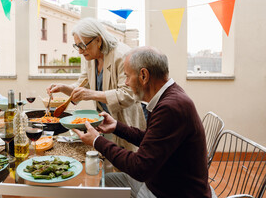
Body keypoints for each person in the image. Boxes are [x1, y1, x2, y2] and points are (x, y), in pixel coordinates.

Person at [73, 46, 212, 198]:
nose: (125, 83)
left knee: (95, 188)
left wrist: (97, 141)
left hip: (170, 193)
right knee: (99, 185)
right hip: (157, 183)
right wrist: (117, 127)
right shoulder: (166, 97)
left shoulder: (171, 108)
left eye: (127, 76)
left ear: (144, 75)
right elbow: (151, 139)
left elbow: (139, 168)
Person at [47, 17, 146, 152]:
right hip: (103, 120)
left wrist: (91, 94)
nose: (80, 51)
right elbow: (81, 86)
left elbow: (128, 94)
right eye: (77, 46)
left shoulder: (122, 55)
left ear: (98, 40)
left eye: (82, 45)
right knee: (106, 159)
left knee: (126, 161)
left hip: (124, 121)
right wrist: (63, 88)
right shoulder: (90, 57)